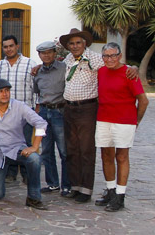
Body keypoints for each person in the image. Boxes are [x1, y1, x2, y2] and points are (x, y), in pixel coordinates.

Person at [59, 28, 138, 203]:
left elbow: (114, 64)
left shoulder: (95, 58)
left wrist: (133, 67)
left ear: (85, 43)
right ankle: (75, 186)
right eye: (71, 43)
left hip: (87, 108)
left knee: (86, 150)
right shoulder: (68, 59)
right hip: (70, 108)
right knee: (72, 149)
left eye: (78, 42)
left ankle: (86, 190)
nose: (75, 46)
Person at [94, 42, 148, 212]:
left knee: (122, 157)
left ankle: (120, 195)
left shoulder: (129, 73)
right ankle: (110, 191)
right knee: (106, 155)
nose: (109, 59)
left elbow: (143, 101)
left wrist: (135, 121)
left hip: (124, 121)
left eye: (113, 55)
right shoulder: (101, 71)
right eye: (106, 56)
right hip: (104, 119)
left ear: (119, 56)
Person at [0, 79, 48, 210]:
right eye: (0, 91)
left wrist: (34, 147)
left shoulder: (19, 106)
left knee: (34, 159)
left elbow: (41, 123)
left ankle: (34, 197)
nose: (5, 94)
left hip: (16, 149)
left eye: (7, 90)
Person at [0, 35, 37, 182]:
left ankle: (27, 174)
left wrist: (35, 107)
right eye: (5, 47)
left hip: (24, 112)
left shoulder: (30, 64)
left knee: (25, 143)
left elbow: (35, 87)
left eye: (11, 46)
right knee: (8, 143)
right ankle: (10, 174)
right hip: (5, 113)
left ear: (17, 46)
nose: (8, 49)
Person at [33, 41, 70, 196]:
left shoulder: (64, 68)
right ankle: (52, 183)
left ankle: (67, 185)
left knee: (64, 150)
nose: (46, 55)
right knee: (46, 150)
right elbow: (37, 93)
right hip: (43, 113)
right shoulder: (37, 72)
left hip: (59, 112)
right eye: (43, 53)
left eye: (49, 52)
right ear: (39, 55)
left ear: (55, 53)